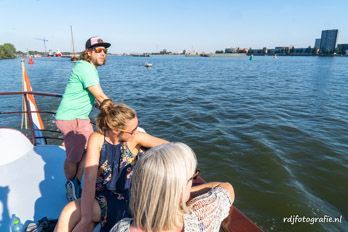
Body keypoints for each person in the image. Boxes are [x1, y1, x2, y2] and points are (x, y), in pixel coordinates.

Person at [54, 100, 168, 232]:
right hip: (101, 195)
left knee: (88, 221)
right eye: (133, 130)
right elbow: (90, 179)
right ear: (115, 130)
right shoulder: (96, 139)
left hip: (127, 197)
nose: (137, 131)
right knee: (68, 212)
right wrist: (85, 217)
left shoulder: (136, 138)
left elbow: (171, 147)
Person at [111, 142, 235, 232]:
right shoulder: (200, 219)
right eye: (193, 176)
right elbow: (226, 188)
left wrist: (163, 193)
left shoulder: (121, 227)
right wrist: (175, 195)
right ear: (180, 188)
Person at [55, 36, 111, 201]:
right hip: (71, 119)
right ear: (88, 52)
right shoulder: (86, 67)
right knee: (74, 157)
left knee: (90, 151)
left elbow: (91, 97)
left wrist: (99, 105)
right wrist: (119, 114)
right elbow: (100, 95)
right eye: (98, 50)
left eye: (105, 51)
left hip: (81, 118)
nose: (103, 54)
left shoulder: (88, 68)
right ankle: (71, 186)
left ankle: (78, 184)